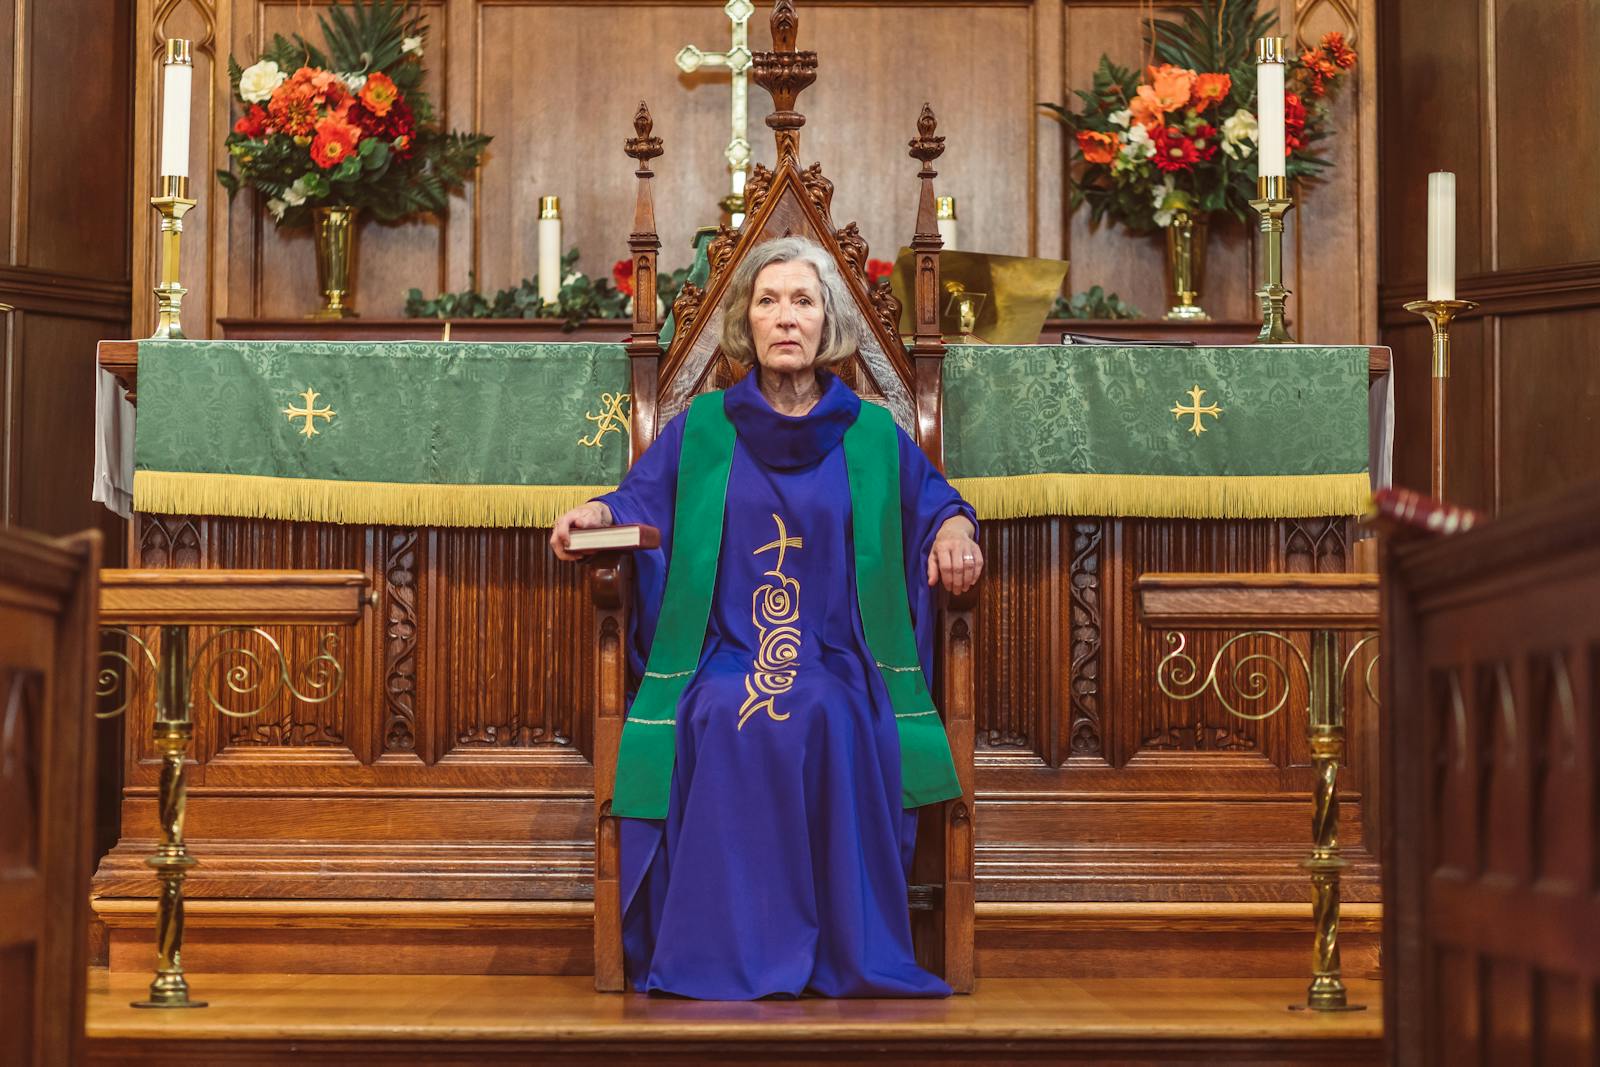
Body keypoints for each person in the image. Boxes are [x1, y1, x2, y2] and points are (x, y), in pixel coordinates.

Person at [551, 235, 983, 999]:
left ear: (830, 325)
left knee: (828, 711)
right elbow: (636, 502)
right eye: (768, 300)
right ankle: (731, 951)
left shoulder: (874, 433)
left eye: (803, 300)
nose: (786, 317)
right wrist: (594, 511)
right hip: (724, 651)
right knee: (722, 712)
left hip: (841, 654)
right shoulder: (703, 429)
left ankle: (830, 950)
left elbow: (940, 505)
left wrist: (954, 531)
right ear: (745, 322)